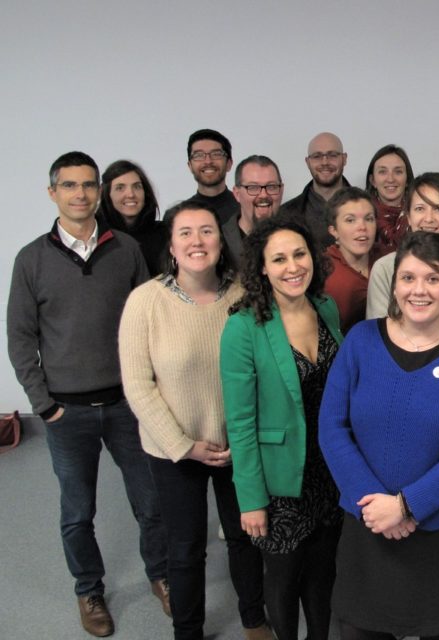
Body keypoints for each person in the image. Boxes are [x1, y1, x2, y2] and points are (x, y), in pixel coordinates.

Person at [7, 151, 167, 637]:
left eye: (89, 185)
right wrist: (44, 406)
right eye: (70, 186)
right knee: (78, 511)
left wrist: (150, 391)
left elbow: (150, 322)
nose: (81, 194)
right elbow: (20, 338)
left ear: (99, 192)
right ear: (52, 192)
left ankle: (161, 576)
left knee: (151, 502)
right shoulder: (31, 259)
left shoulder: (125, 251)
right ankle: (88, 589)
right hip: (66, 412)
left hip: (125, 404)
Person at [320, 231, 439, 639]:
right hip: (367, 525)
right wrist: (376, 505)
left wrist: (406, 506)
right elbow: (332, 428)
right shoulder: (361, 341)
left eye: (433, 278)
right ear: (393, 283)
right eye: (408, 278)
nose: (418, 290)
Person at [118, 203, 270, 640]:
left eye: (206, 231)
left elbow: (260, 372)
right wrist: (183, 445)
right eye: (186, 233)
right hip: (174, 450)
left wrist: (241, 439)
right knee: (185, 549)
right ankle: (188, 630)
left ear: (221, 243)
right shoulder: (145, 302)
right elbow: (137, 385)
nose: (197, 241)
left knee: (245, 538)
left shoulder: (245, 296)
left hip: (236, 444)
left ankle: (253, 619)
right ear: (171, 244)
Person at [220, 217, 345, 640]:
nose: (292, 266)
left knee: (323, 570)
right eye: (279, 259)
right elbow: (239, 421)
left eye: (299, 254)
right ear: (261, 268)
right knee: (285, 577)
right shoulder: (243, 326)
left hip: (328, 469)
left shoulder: (325, 307)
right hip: (279, 477)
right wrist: (251, 499)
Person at [365, 172, 439, 318]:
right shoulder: (384, 268)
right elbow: (378, 332)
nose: (429, 219)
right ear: (408, 215)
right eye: (420, 209)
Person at [323, 187, 386, 333]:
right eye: (350, 220)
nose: (362, 227)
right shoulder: (322, 270)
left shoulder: (390, 258)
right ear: (333, 231)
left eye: (369, 219)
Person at [279, 132, 351, 247]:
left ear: (344, 159)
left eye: (332, 155)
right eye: (317, 156)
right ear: (308, 162)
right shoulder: (286, 214)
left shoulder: (367, 207)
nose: (325, 162)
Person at [100, 159, 166, 275]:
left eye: (137, 187)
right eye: (120, 188)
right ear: (107, 194)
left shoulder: (165, 234)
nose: (130, 194)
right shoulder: (95, 236)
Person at [165, 128, 239, 224]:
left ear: (229, 164)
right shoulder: (177, 216)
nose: (208, 161)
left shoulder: (245, 209)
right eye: (199, 155)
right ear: (190, 166)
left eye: (216, 154)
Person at [222, 155, 284, 264]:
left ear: (281, 190)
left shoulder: (297, 236)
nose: (263, 195)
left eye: (271, 186)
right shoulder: (220, 241)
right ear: (237, 194)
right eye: (253, 188)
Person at [365, 144, 413, 252]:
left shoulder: (421, 217)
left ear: (407, 180)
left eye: (398, 172)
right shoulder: (361, 217)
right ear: (373, 180)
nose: (390, 179)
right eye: (382, 172)